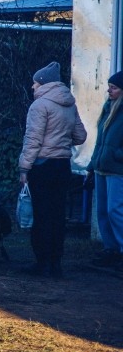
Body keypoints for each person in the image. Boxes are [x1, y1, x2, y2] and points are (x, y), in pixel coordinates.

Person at [19, 61, 87, 278]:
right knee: (57, 215)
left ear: (43, 84)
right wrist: (61, 140)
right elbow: (81, 136)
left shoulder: (39, 106)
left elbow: (33, 140)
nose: (32, 87)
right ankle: (56, 263)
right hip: (62, 165)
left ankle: (41, 262)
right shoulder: (69, 104)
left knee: (41, 215)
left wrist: (24, 168)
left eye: (35, 83)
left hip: (42, 165)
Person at [87, 71, 123, 267]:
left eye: (114, 87)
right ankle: (111, 249)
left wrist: (115, 154)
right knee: (102, 210)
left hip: (117, 170)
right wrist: (91, 165)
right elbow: (99, 142)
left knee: (114, 210)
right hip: (102, 168)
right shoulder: (108, 108)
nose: (109, 90)